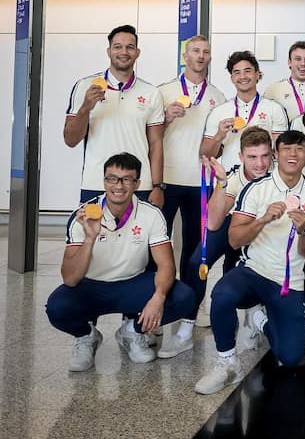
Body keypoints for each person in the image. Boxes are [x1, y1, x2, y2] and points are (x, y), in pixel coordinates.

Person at [195, 130, 305, 394]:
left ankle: (261, 321)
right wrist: (263, 220)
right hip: (254, 272)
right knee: (222, 293)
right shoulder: (256, 188)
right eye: (286, 149)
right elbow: (233, 240)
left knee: (290, 359)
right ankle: (227, 362)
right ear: (277, 154)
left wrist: (304, 230)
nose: (293, 154)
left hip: (289, 282)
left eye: (299, 149)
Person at [46, 153, 194, 371]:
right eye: (112, 178)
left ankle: (132, 332)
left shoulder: (151, 214)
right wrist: (90, 238)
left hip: (132, 284)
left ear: (137, 183)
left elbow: (166, 265)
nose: (119, 185)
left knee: (183, 297)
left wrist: (158, 298)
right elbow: (70, 278)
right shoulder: (84, 215)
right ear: (104, 181)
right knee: (58, 307)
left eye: (127, 179)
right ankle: (87, 336)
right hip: (91, 286)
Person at [159, 127, 274, 358]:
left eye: (264, 156)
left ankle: (253, 315)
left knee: (238, 271)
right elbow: (212, 223)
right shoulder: (232, 176)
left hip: (260, 228)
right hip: (230, 222)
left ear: (272, 155)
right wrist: (221, 184)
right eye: (252, 157)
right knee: (195, 264)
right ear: (241, 157)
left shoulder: (277, 177)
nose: (259, 164)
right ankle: (186, 326)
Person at [64, 24, 165, 205]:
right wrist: (86, 107)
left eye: (130, 47)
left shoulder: (151, 92)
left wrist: (157, 186)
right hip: (96, 183)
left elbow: (156, 143)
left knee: (139, 234)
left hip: (138, 185)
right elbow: (70, 139)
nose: (123, 52)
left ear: (137, 52)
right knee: (92, 233)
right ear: (109, 51)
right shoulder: (85, 86)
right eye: (118, 46)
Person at [158, 35, 227, 282]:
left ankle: (189, 305)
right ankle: (158, 296)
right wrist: (166, 118)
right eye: (195, 51)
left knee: (195, 246)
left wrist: (219, 136)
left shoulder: (218, 97)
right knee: (158, 241)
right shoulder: (164, 91)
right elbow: (149, 136)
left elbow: (219, 149)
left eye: (205, 52)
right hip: (167, 177)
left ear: (210, 58)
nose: (200, 56)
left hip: (201, 181)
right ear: (184, 56)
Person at [201, 51, 288, 171]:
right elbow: (205, 156)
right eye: (237, 72)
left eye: (247, 71)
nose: (243, 76)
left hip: (264, 182)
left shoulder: (274, 108)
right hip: (231, 181)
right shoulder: (219, 112)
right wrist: (219, 135)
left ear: (257, 74)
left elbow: (282, 152)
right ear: (232, 78)